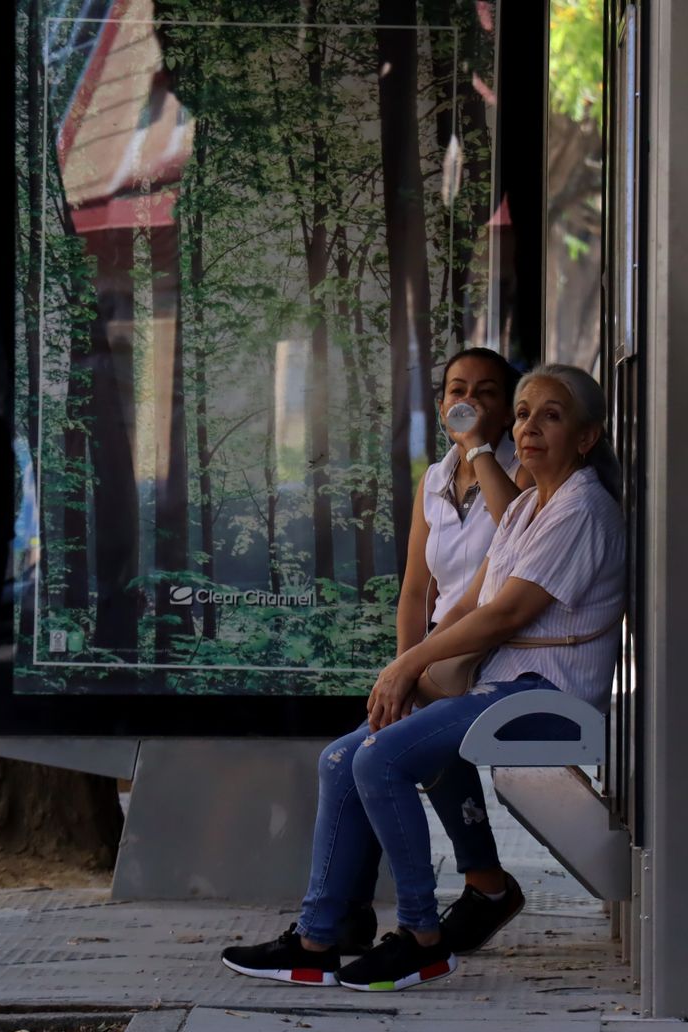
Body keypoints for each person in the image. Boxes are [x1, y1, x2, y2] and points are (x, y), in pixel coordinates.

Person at [222, 363, 627, 992]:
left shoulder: (580, 508)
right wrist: (408, 667)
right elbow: (468, 601)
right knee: (340, 758)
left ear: (585, 437)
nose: (530, 428)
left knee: (380, 760)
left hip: (544, 697)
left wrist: (411, 664)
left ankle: (422, 937)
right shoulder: (527, 508)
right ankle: (315, 940)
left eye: (550, 415)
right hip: (502, 689)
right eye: (523, 414)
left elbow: (508, 613)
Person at [333, 346, 532, 958]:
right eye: (455, 389)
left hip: (496, 656)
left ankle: (473, 891)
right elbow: (417, 589)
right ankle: (348, 913)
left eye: (486, 392)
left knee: (389, 754)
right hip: (440, 656)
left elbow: (514, 527)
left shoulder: (522, 468)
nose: (467, 400)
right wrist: (403, 670)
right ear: (441, 401)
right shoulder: (436, 477)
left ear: (507, 412)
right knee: (379, 741)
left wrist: (478, 449)